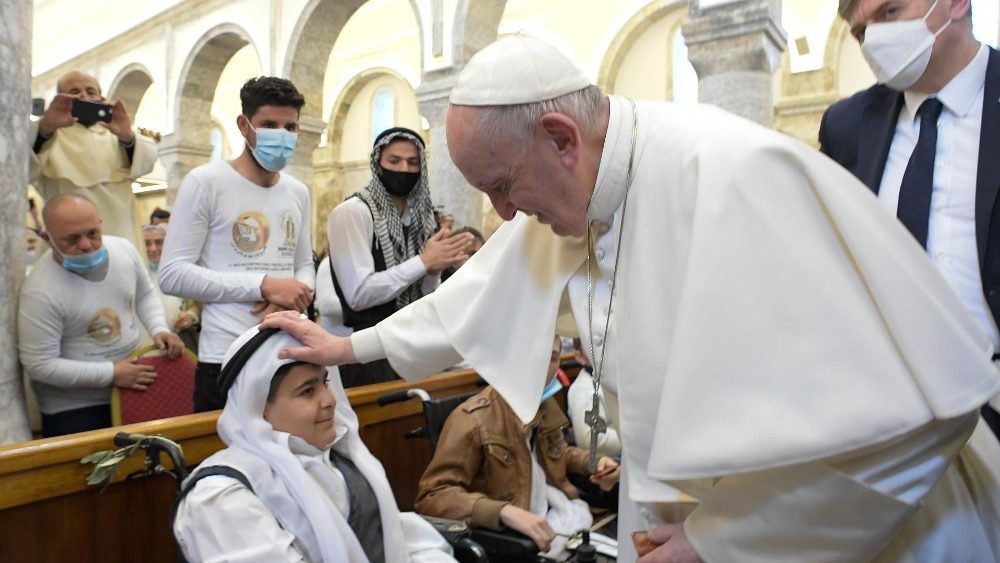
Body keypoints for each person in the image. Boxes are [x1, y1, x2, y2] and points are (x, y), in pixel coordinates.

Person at [264, 35, 1000, 562]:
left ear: (560, 137)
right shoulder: (576, 190)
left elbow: (914, 426)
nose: (505, 215)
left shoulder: (736, 177)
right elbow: (471, 302)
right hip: (678, 519)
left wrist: (722, 541)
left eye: (500, 185)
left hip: (853, 535)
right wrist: (344, 346)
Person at [819, 0, 1000, 439]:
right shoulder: (847, 128)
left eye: (889, 12)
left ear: (956, 4)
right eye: (861, 32)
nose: (874, 39)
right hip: (890, 418)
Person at [172, 323, 455, 562]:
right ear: (259, 407)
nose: (330, 400)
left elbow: (398, 539)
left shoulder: (341, 460)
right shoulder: (222, 498)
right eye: (307, 391)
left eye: (325, 383)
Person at [159, 76, 315, 412]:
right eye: (269, 125)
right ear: (244, 126)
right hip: (226, 355)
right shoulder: (206, 182)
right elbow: (172, 274)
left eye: (291, 127)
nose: (282, 136)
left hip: (285, 348)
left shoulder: (298, 191)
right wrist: (264, 286)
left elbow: (304, 263)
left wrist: (296, 295)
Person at [415, 335, 618, 554]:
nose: (543, 367)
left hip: (560, 518)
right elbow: (432, 496)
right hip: (510, 538)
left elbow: (558, 452)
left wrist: (595, 462)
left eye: (552, 358)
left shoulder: (543, 404)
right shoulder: (472, 420)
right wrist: (502, 512)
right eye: (535, 356)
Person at [18, 194, 184, 437]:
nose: (86, 244)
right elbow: (40, 365)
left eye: (93, 233)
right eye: (72, 239)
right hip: (75, 408)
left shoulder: (124, 250)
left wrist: (159, 328)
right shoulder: (40, 292)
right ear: (47, 238)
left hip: (131, 388)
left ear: (100, 223)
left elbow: (144, 295)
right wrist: (111, 374)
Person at [326, 127, 472, 387]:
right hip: (369, 354)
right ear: (378, 164)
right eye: (394, 161)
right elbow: (359, 295)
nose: (404, 169)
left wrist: (435, 268)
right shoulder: (352, 213)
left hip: (414, 346)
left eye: (413, 162)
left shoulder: (421, 220)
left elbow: (425, 296)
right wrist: (423, 262)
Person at [30, 70, 157, 246]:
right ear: (59, 98)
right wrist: (44, 129)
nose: (83, 95)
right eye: (74, 91)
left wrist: (127, 136)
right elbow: (22, 171)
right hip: (67, 244)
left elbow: (148, 162)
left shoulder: (117, 134)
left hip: (119, 238)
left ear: (101, 97)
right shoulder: (48, 135)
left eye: (91, 91)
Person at [142, 224, 200, 353]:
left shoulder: (178, 272)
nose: (153, 248)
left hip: (179, 342)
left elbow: (194, 305)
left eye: (158, 242)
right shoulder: (136, 274)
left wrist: (190, 316)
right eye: (147, 243)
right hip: (147, 346)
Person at [566, 339, 621, 459]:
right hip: (609, 460)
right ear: (579, 357)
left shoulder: (615, 378)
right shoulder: (584, 390)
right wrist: (635, 440)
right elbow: (590, 438)